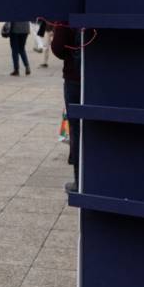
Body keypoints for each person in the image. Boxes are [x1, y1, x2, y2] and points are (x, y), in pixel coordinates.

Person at [52, 24, 82, 192]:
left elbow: (58, 48)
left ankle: (80, 181)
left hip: (74, 77)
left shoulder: (67, 11)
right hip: (100, 74)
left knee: (77, 129)